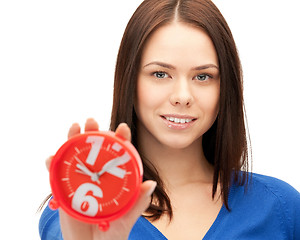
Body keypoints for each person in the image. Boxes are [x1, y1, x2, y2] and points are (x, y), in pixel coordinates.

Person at [39, 0, 300, 239]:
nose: (182, 96)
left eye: (203, 76)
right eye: (161, 74)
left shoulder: (282, 208)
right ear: (130, 81)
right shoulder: (79, 212)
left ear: (225, 88)